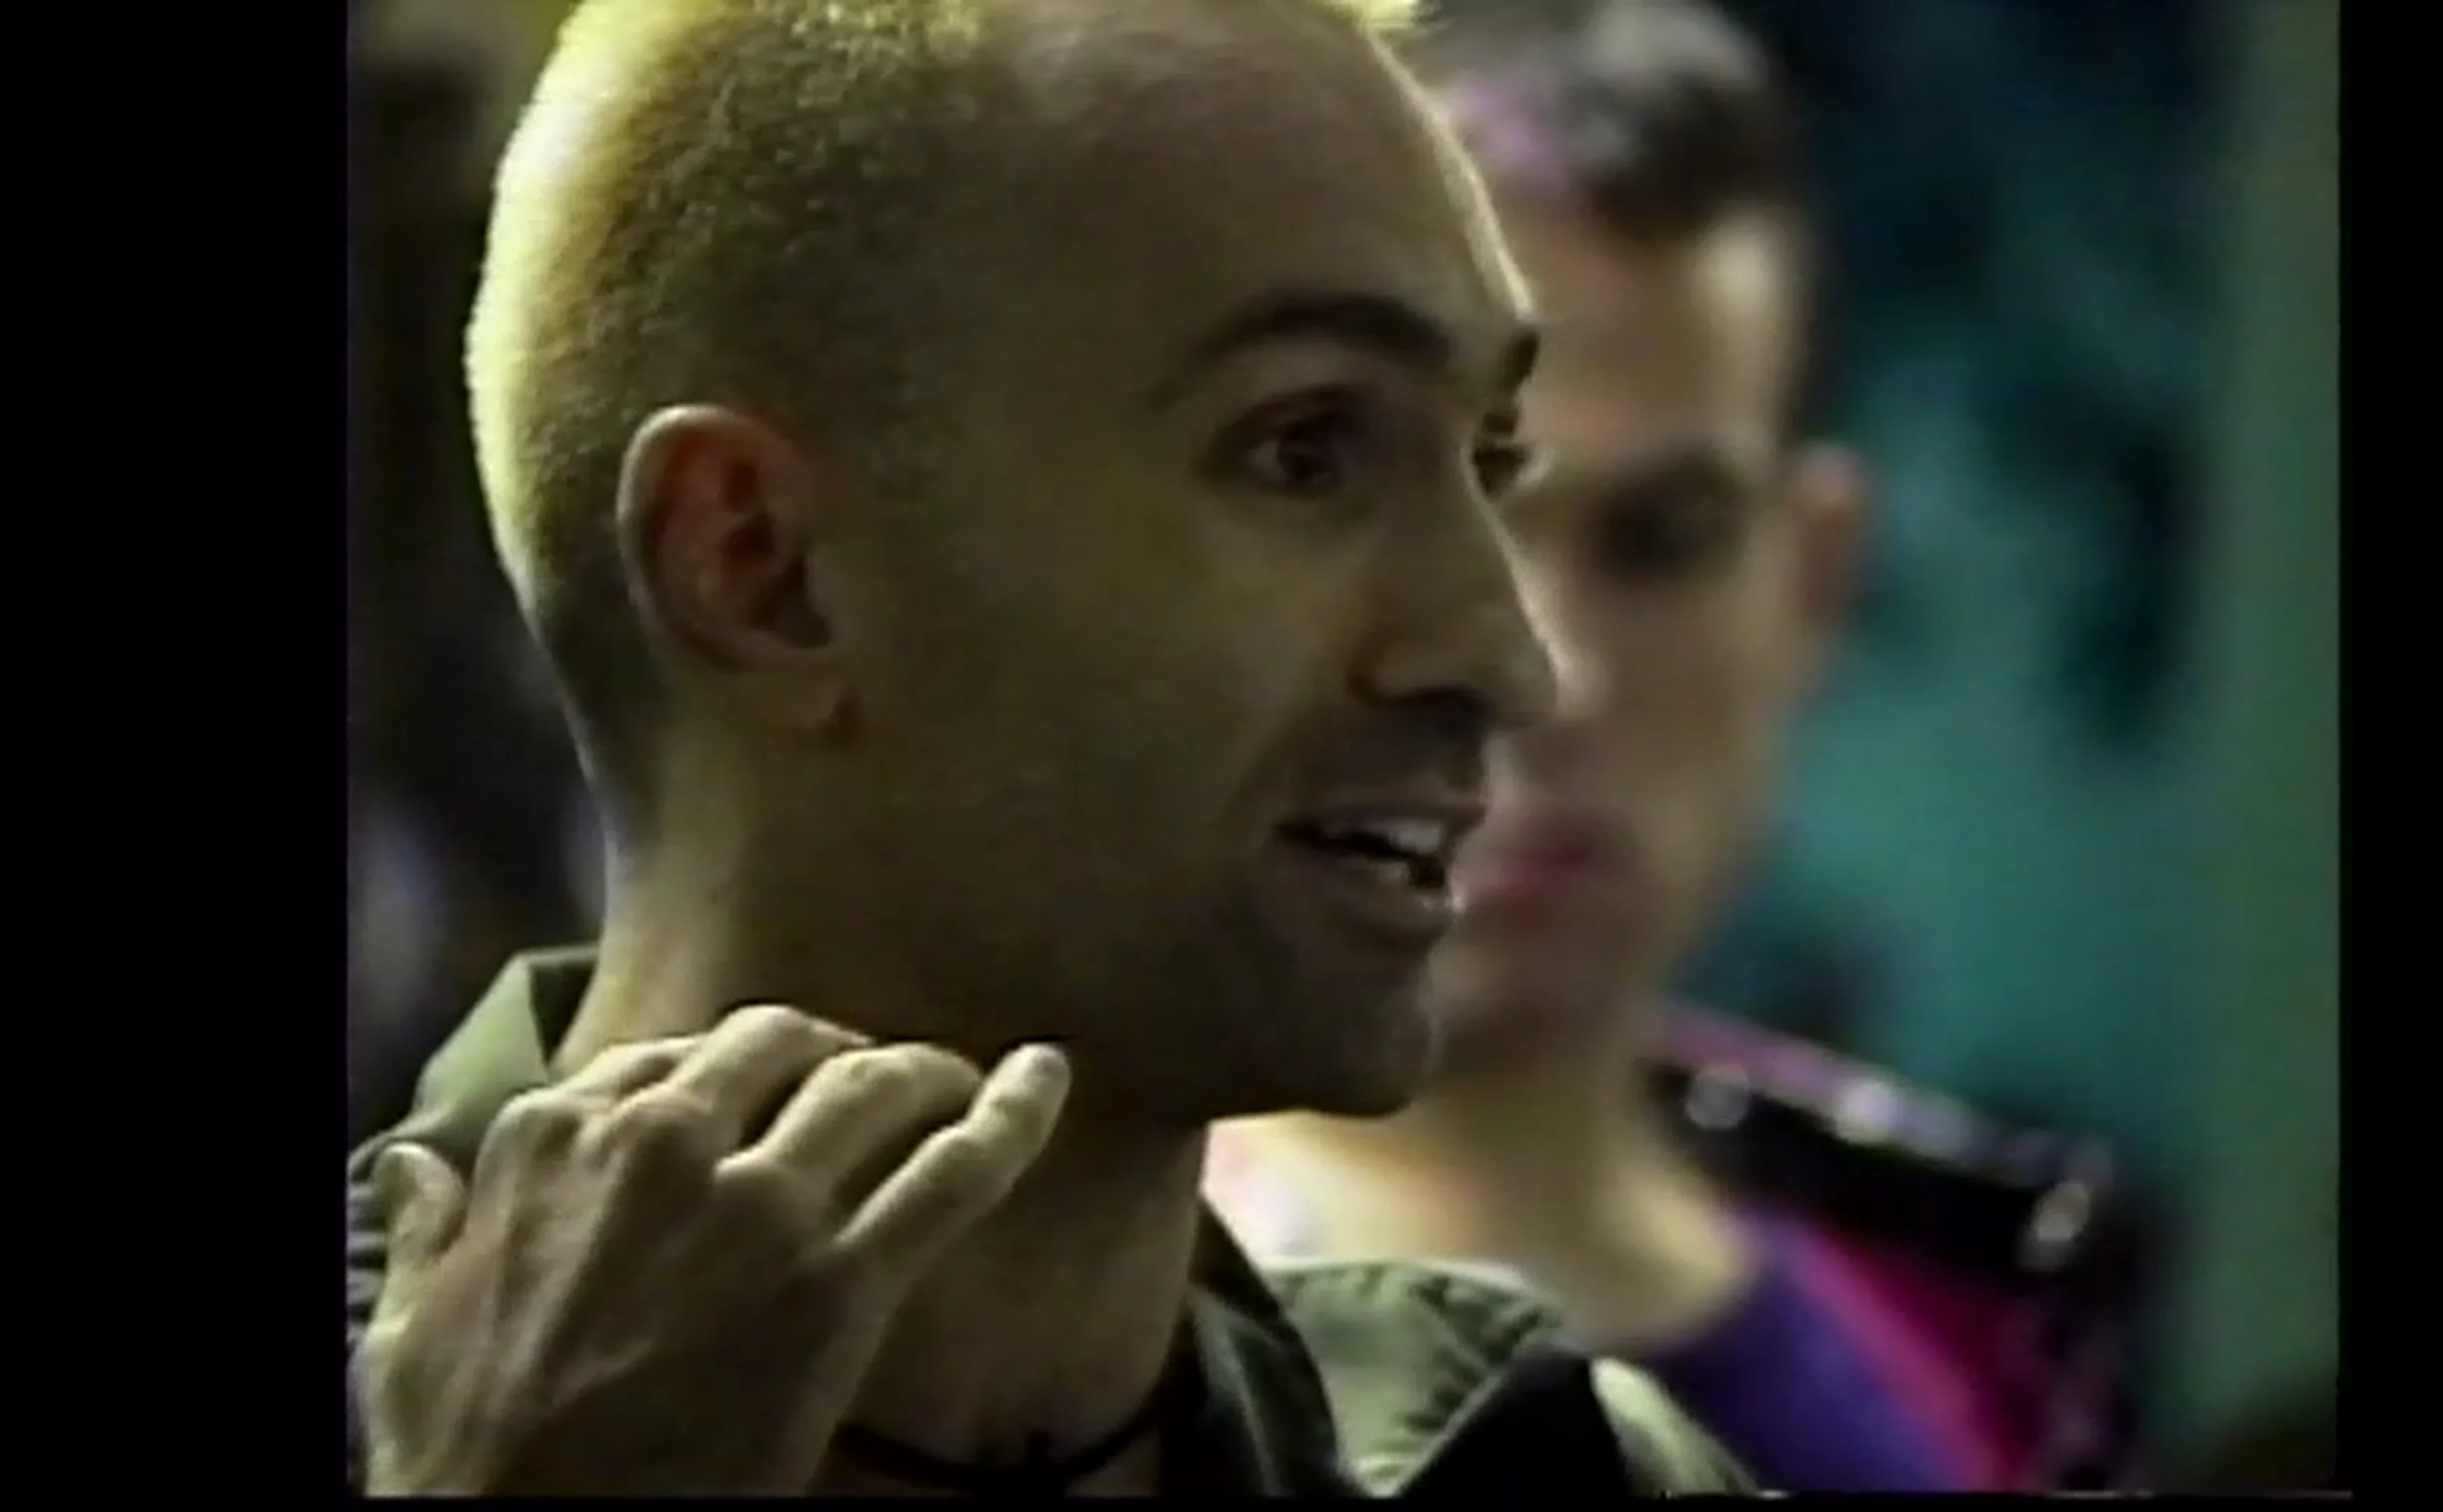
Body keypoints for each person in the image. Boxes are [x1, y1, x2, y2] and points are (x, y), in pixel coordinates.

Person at [342, 0, 1758, 1496]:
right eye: (1305, 449)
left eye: (1486, 460)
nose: (1511, 662)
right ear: (763, 569)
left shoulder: (1566, 1469)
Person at [1207, 0, 2136, 1490]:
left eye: (1662, 540)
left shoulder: (1984, 1321)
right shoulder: (989, 1336)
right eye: (1442, 510)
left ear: (1812, 582)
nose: (1550, 677)